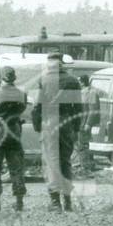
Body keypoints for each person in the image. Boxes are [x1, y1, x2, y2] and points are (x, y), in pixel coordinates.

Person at [31, 52, 82, 211]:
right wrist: (76, 128)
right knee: (66, 161)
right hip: (67, 123)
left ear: (49, 64)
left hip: (49, 122)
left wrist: (37, 126)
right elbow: (78, 108)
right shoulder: (73, 81)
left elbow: (36, 107)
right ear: (62, 63)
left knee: (52, 162)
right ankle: (68, 202)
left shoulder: (44, 79)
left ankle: (55, 203)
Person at [0, 66, 27, 212]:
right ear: (14, 77)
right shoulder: (21, 93)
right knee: (16, 167)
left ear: (2, 77)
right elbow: (22, 109)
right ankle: (19, 202)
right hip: (14, 131)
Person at [76, 75, 100, 171]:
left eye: (78, 81)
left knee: (83, 144)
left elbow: (93, 109)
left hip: (84, 122)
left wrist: (88, 124)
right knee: (83, 143)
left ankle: (85, 167)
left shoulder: (91, 92)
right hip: (80, 122)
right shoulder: (82, 92)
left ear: (82, 82)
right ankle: (89, 164)